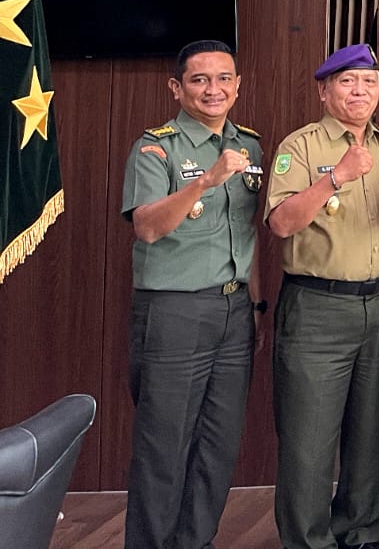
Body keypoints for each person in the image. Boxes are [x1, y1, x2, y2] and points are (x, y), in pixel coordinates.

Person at [121, 39, 264, 549]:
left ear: (238, 86)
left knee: (216, 447)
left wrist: (256, 305)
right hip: (175, 311)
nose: (213, 89)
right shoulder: (156, 147)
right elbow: (147, 227)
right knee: (164, 446)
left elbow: (247, 232)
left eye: (224, 78)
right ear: (176, 88)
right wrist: (204, 182)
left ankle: (196, 542)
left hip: (234, 309)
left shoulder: (250, 146)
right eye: (200, 79)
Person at [266, 42, 379, 549]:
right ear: (324, 92)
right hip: (317, 308)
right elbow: (282, 223)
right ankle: (308, 541)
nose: (360, 90)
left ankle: (361, 533)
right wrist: (335, 178)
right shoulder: (301, 147)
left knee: (369, 432)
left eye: (369, 82)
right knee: (308, 439)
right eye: (347, 81)